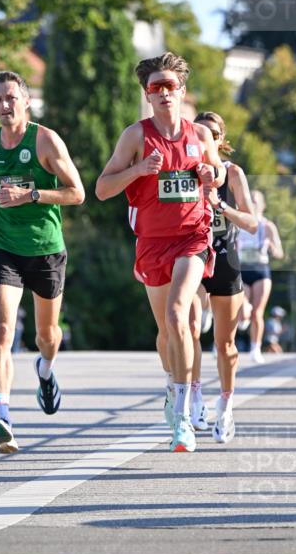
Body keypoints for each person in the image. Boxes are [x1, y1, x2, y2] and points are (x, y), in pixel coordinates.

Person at [95, 51, 225, 453]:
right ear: (147, 95)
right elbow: (101, 189)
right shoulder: (135, 136)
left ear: (183, 92)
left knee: (179, 314)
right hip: (152, 243)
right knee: (166, 331)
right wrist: (138, 170)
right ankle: (174, 386)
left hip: (193, 236)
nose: (165, 93)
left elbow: (218, 173)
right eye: (157, 87)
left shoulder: (199, 136)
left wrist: (210, 174)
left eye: (172, 86)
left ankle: (184, 418)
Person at [0, 70, 85, 454]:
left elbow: (77, 193)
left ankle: (45, 371)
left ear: (25, 101)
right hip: (4, 249)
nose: (4, 106)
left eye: (11, 98)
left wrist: (30, 196)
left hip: (47, 249)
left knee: (46, 338)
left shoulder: (46, 140)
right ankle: (2, 417)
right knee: (1, 331)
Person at [188, 111, 258, 444]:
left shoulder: (232, 174)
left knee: (224, 343)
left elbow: (253, 223)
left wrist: (222, 208)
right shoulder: (186, 169)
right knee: (187, 327)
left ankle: (226, 405)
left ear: (220, 138)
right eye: (198, 131)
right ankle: (195, 397)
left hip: (226, 260)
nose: (205, 137)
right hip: (193, 257)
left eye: (212, 133)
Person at [237, 190, 283, 364]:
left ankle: (255, 348)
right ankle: (243, 316)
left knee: (258, 312)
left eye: (256, 201)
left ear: (263, 205)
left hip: (261, 270)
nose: (253, 204)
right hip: (242, 269)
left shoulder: (267, 226)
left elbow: (280, 252)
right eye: (251, 201)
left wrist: (272, 246)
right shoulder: (240, 223)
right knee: (242, 308)